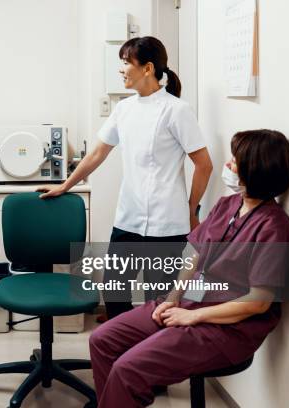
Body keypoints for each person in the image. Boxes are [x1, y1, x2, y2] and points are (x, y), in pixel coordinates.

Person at [88, 129, 289, 408]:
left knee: (128, 370)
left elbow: (257, 304)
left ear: (256, 168)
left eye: (235, 161)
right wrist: (173, 298)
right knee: (102, 340)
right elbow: (194, 255)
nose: (228, 165)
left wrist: (193, 318)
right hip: (189, 303)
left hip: (228, 328)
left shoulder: (274, 227)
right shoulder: (228, 204)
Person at [38, 36, 213, 318]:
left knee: (159, 301)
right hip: (128, 220)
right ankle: (121, 354)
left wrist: (191, 209)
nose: (120, 69)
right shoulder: (124, 109)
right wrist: (65, 185)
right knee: (114, 293)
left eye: (125, 63)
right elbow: (97, 153)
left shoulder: (177, 110)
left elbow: (204, 165)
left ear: (147, 68)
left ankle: (149, 359)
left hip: (167, 224)